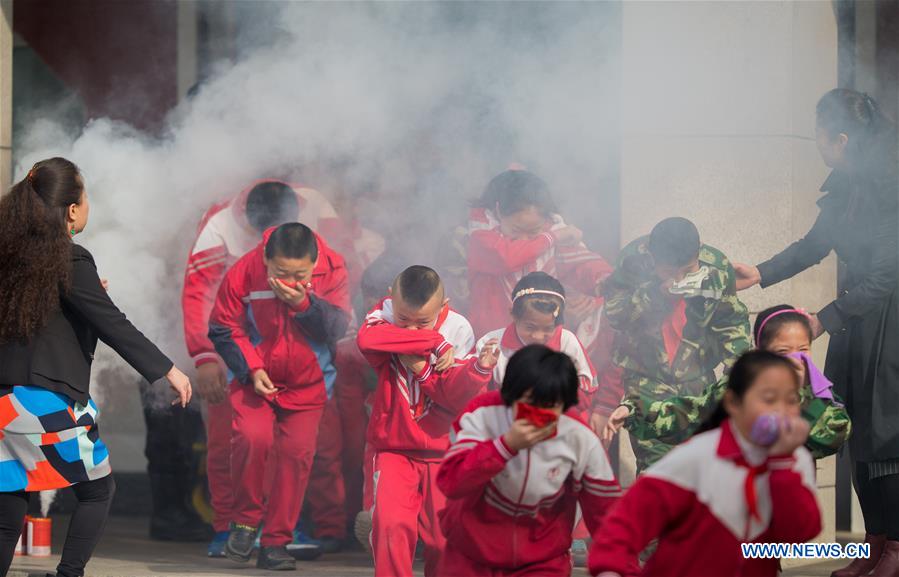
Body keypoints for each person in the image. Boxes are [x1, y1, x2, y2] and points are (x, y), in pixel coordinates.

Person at [733, 89, 899, 577]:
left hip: (888, 323)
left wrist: (824, 318)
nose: (818, 145)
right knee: (853, 428)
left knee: (888, 436)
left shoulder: (891, 185)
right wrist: (759, 272)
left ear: (841, 139)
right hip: (856, 318)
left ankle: (896, 549)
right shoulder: (847, 187)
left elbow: (889, 275)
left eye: (820, 136)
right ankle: (873, 542)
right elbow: (814, 244)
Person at [0, 157, 193, 577]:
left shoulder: (10, 255)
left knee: (9, 498)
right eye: (85, 197)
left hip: (4, 402)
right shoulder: (71, 259)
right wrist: (167, 370)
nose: (88, 206)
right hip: (45, 402)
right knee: (98, 491)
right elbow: (113, 325)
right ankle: (70, 574)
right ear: (72, 209)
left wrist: (87, 292)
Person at [182, 179, 343, 554]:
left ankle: (290, 528)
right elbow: (197, 295)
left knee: (300, 451)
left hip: (305, 362)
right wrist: (204, 357)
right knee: (234, 442)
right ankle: (227, 528)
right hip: (238, 352)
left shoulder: (318, 209)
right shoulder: (219, 225)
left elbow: (338, 281)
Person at [589, 351, 822, 577]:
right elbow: (625, 523)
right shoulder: (697, 457)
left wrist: (782, 466)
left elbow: (800, 532)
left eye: (792, 399)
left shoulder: (794, 460)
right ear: (733, 402)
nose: (781, 410)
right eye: (769, 399)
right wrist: (612, 569)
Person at [209, 222, 350, 571]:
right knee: (250, 439)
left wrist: (304, 304)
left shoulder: (333, 267)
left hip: (309, 382)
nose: (289, 279)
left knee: (296, 457)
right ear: (265, 258)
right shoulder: (244, 270)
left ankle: (275, 543)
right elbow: (224, 326)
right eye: (281, 272)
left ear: (315, 262)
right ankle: (243, 523)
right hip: (255, 377)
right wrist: (252, 369)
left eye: (300, 273)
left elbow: (338, 327)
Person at [356, 265, 497, 577]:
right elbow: (367, 341)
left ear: (443, 307)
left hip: (444, 450)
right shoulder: (384, 312)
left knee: (444, 540)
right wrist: (434, 342)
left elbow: (456, 399)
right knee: (391, 527)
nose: (411, 330)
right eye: (404, 320)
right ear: (393, 300)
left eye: (423, 322)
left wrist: (432, 371)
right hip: (394, 448)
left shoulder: (459, 328)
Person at [437, 345, 620, 577]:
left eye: (550, 405)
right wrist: (505, 446)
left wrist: (613, 568)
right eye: (529, 402)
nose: (538, 413)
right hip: (471, 555)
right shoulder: (481, 414)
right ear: (510, 395)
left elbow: (604, 510)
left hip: (543, 560)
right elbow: (451, 482)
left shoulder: (579, 437)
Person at [604, 304, 851, 459]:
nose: (795, 359)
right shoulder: (739, 388)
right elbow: (692, 413)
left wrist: (800, 398)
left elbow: (834, 437)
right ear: (761, 351)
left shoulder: (819, 395)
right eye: (782, 352)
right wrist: (635, 410)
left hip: (787, 510)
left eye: (803, 349)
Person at [602, 217, 751, 471]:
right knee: (657, 468)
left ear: (699, 249)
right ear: (652, 256)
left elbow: (730, 322)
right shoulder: (631, 262)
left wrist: (738, 371)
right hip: (646, 378)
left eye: (688, 270)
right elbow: (615, 315)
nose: (680, 278)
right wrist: (656, 293)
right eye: (671, 271)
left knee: (703, 466)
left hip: (697, 376)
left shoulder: (716, 266)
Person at [466, 168, 612, 338]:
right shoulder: (481, 232)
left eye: (533, 231)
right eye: (516, 230)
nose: (525, 239)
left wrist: (596, 292)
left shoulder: (552, 230)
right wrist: (551, 237)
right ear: (499, 212)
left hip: (539, 338)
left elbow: (584, 267)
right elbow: (506, 258)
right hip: (492, 337)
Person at [475, 272, 596, 414]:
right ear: (513, 315)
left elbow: (586, 391)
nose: (538, 336)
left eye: (548, 329)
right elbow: (476, 397)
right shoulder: (491, 344)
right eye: (530, 327)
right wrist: (479, 370)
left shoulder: (567, 342)